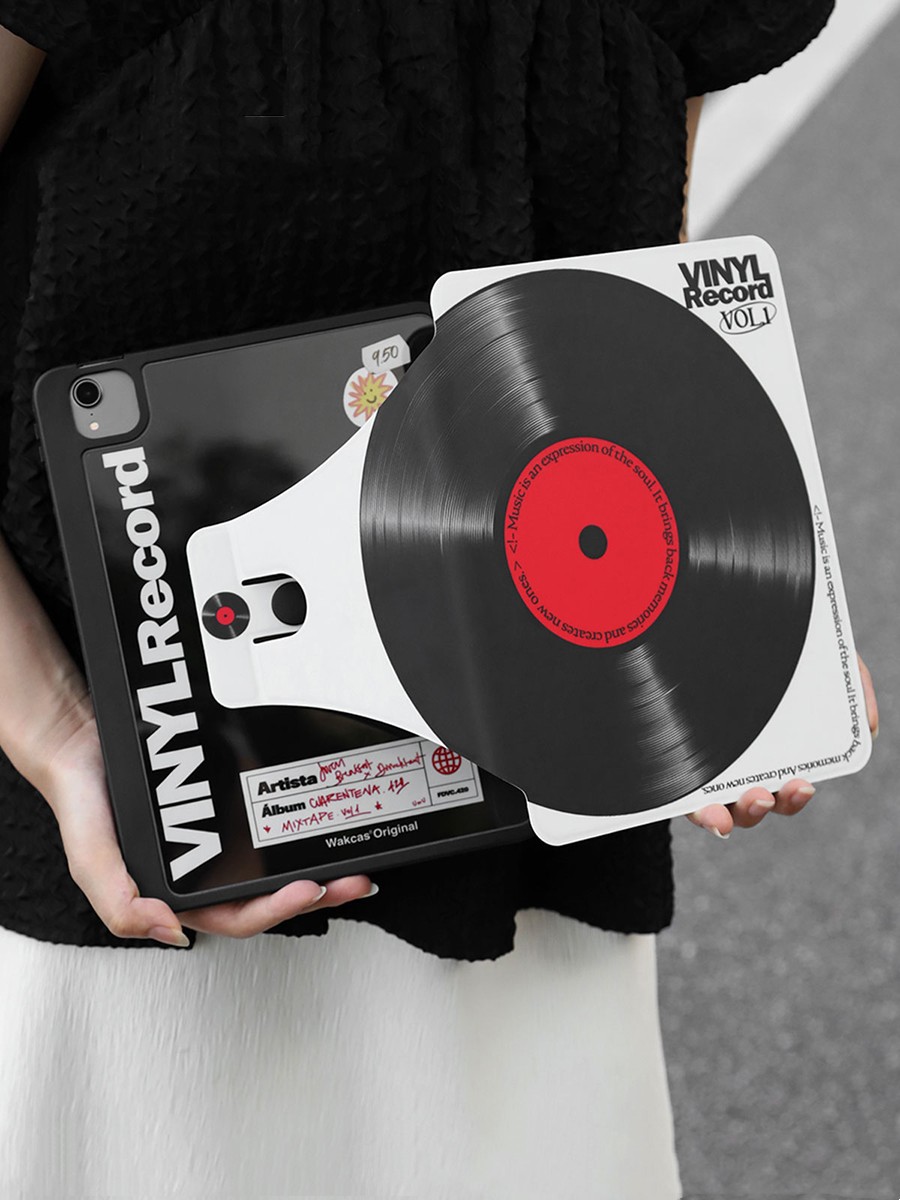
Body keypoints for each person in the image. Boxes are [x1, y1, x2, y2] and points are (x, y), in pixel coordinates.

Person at [0, 3, 879, 1196]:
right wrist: (57, 731)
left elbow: (628, 263)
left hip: (528, 833)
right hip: (130, 821)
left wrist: (740, 587)